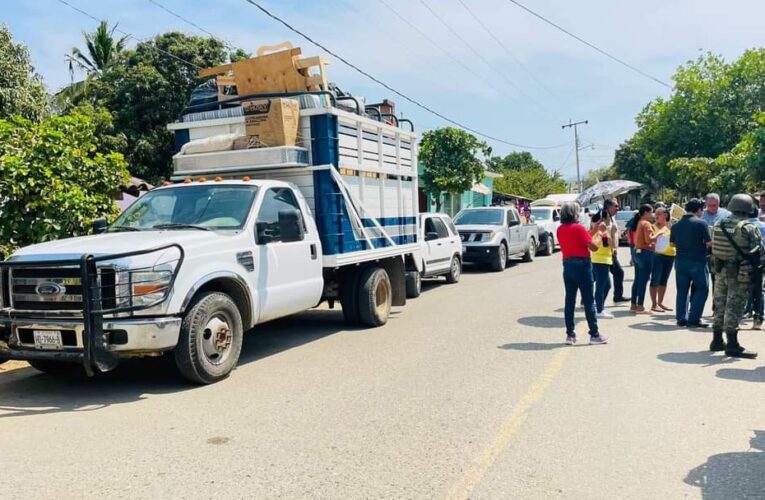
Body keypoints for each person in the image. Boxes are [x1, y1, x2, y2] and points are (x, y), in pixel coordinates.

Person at [710, 194, 762, 358]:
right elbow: (757, 253)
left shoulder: (719, 224)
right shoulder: (747, 227)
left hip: (720, 270)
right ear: (749, 209)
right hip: (740, 273)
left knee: (720, 304)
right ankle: (732, 344)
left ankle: (717, 340)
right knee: (735, 306)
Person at [556, 202, 608, 346]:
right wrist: (601, 233)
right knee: (589, 300)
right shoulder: (578, 228)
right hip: (582, 265)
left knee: (570, 301)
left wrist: (595, 229)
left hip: (568, 265)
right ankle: (594, 334)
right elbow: (594, 246)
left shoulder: (560, 229)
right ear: (574, 214)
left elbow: (583, 239)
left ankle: (570, 334)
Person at [671, 199, 711, 328]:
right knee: (702, 288)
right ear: (698, 209)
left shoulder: (676, 225)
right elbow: (708, 243)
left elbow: (672, 244)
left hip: (680, 261)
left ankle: (681, 318)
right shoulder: (701, 223)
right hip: (698, 261)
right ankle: (694, 318)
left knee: (682, 290)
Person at [629, 204, 657, 313]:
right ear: (646, 212)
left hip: (637, 252)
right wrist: (659, 233)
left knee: (637, 279)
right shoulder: (646, 223)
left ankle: (633, 305)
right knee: (643, 280)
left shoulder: (639, 222)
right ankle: (640, 306)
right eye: (651, 212)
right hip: (645, 253)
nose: (652, 214)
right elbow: (649, 239)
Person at [603, 198, 630, 303]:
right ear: (608, 207)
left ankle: (618, 296)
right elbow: (602, 235)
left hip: (611, 251)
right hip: (605, 252)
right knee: (617, 273)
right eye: (615, 206)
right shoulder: (603, 218)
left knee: (617, 273)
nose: (618, 208)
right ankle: (617, 296)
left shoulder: (612, 218)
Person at [649, 206, 675, 312]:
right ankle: (654, 304)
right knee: (655, 279)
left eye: (659, 214)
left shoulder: (670, 226)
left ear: (665, 215)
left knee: (664, 280)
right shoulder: (652, 226)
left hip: (670, 255)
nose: (656, 216)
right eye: (655, 213)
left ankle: (660, 302)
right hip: (657, 255)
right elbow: (650, 239)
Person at [590, 212, 615, 318]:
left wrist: (610, 234)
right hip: (599, 261)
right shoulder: (596, 232)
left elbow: (612, 246)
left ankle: (600, 306)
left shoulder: (605, 231)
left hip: (606, 260)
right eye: (608, 218)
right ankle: (599, 310)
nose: (609, 221)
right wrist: (600, 232)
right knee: (600, 287)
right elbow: (594, 244)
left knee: (607, 286)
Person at [744, 205, 765, 329]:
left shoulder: (742, 227)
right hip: (760, 262)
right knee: (759, 289)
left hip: (744, 263)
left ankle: (747, 310)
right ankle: (758, 318)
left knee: (742, 288)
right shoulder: (763, 226)